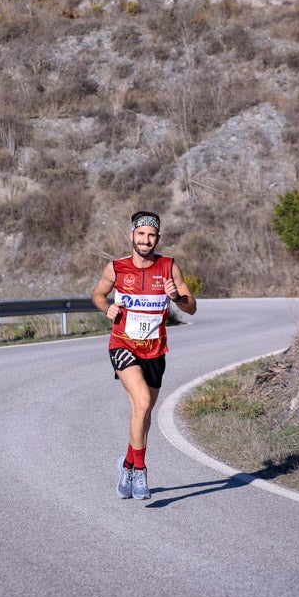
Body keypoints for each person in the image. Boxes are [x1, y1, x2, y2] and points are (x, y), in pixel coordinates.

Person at [91, 211, 197, 500]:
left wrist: (176, 297)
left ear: (157, 239)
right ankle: (140, 471)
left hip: (155, 350)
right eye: (141, 235)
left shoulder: (169, 267)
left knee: (144, 411)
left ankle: (126, 464)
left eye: (151, 235)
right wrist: (106, 308)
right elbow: (98, 294)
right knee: (141, 401)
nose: (146, 240)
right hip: (122, 345)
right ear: (132, 237)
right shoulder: (116, 268)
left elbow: (192, 308)